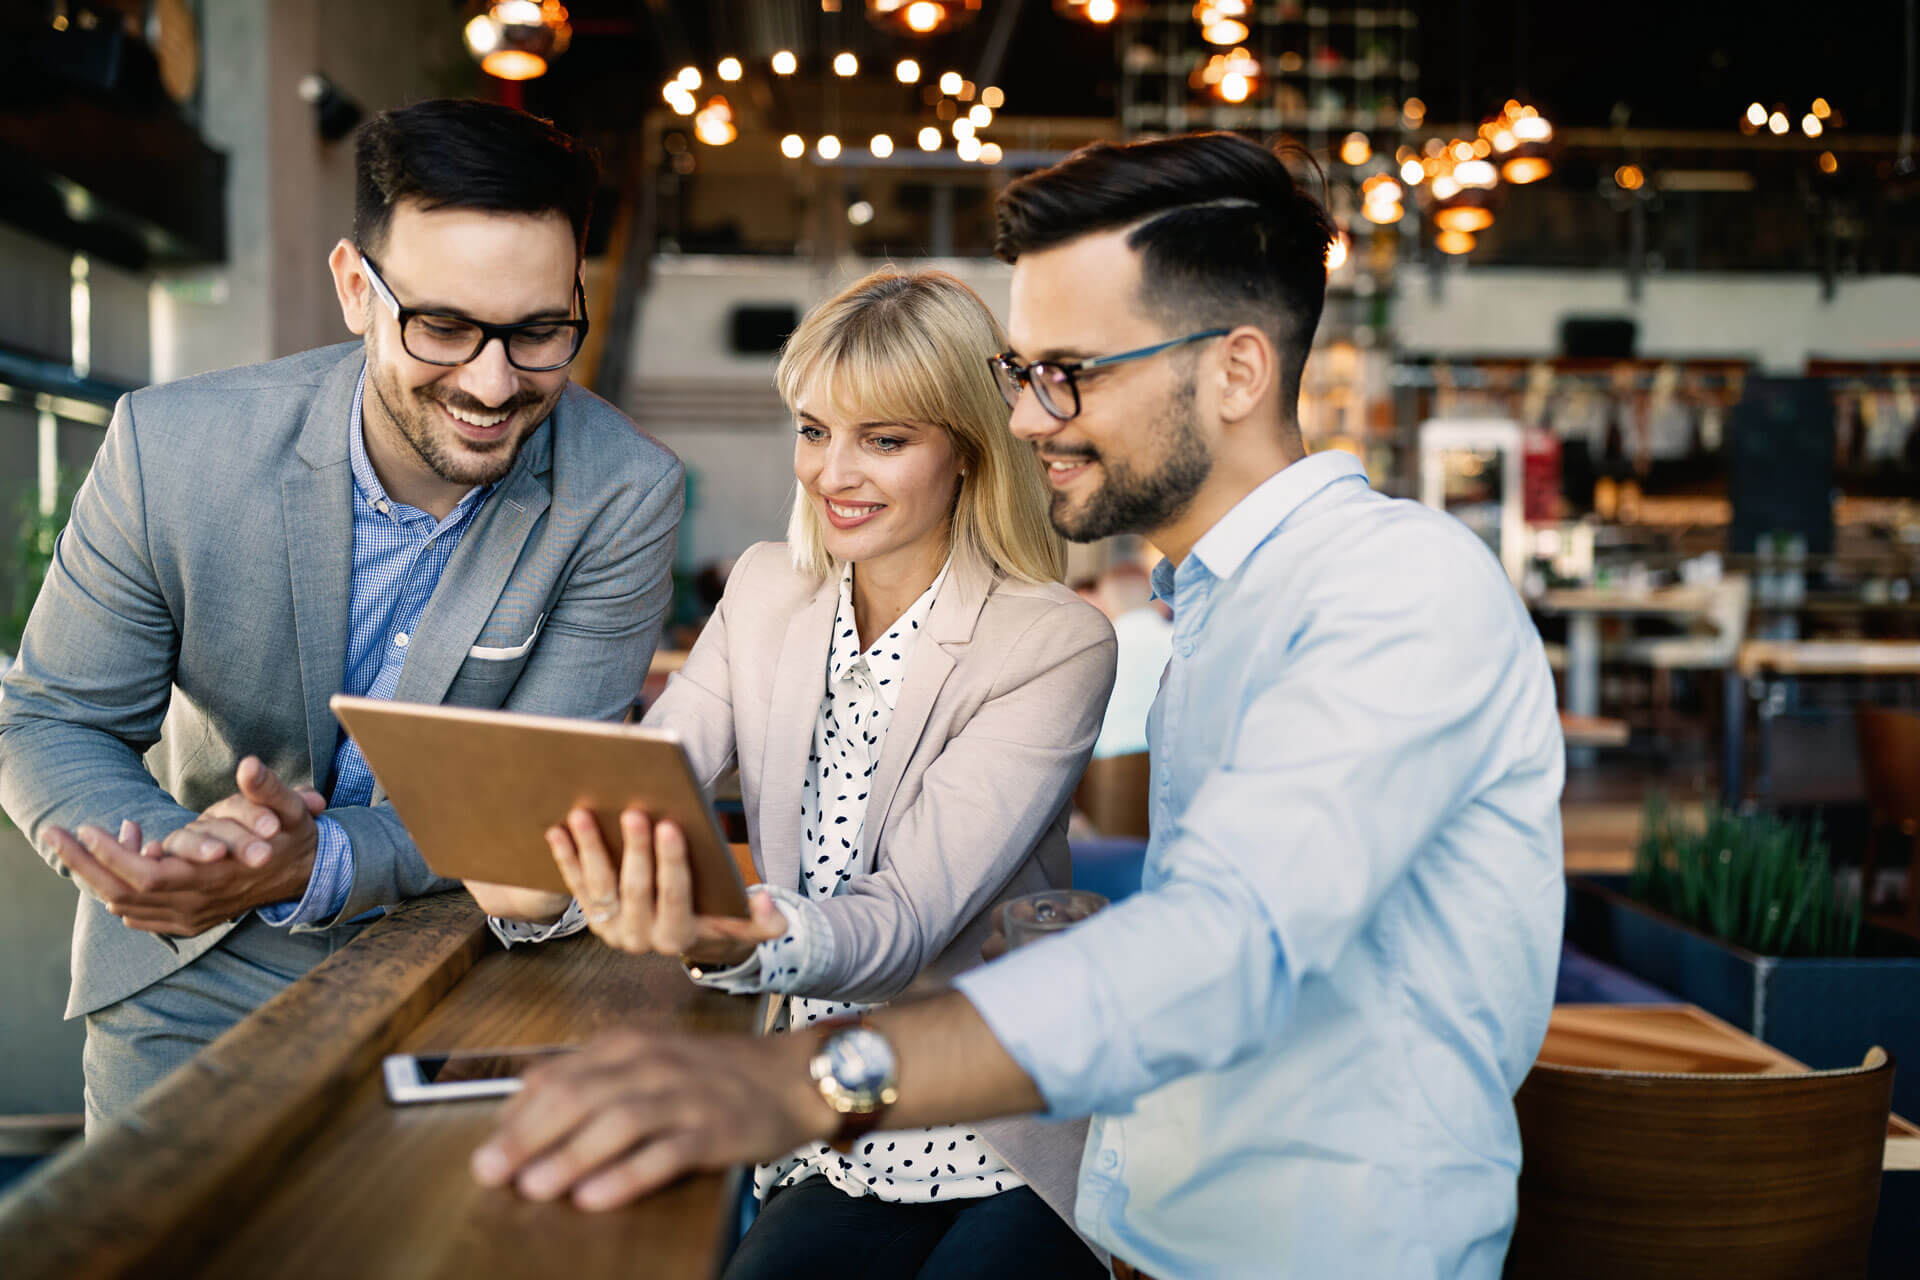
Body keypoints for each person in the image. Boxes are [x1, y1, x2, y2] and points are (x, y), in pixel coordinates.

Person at [471, 132, 1565, 1278]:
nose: (1032, 418)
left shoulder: (1392, 585)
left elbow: (1226, 950)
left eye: (1070, 372)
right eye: (1022, 375)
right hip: (1150, 1226)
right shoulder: (1220, 606)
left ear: (1237, 371)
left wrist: (796, 1077)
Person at [0, 99, 684, 1128]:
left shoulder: (624, 491)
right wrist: (179, 857)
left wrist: (321, 857)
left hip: (464, 970)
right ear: (356, 289)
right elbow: (54, 715)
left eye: (541, 332)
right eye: (445, 326)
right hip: (195, 974)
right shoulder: (170, 449)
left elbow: (543, 800)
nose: (494, 383)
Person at [471, 266, 1115, 1277]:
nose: (832, 471)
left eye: (884, 438)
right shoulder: (771, 588)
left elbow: (903, 919)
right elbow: (653, 784)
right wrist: (542, 871)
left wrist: (737, 932)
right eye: (815, 430)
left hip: (999, 1123)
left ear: (966, 451)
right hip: (824, 1129)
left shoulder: (1053, 640)